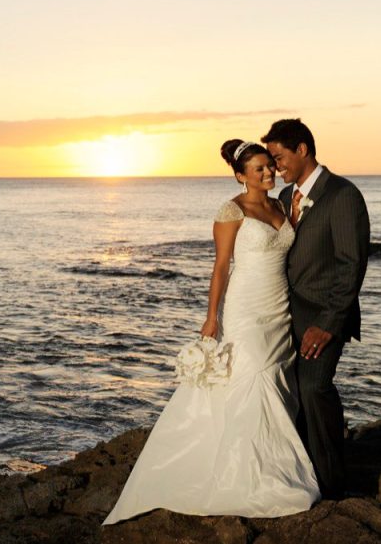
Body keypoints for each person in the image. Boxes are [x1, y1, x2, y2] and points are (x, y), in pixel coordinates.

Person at [104, 139, 319, 525]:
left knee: (276, 379)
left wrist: (298, 221)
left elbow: (286, 249)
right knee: (254, 378)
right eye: (259, 169)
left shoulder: (282, 205)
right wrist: (211, 317)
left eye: (270, 166)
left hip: (279, 307)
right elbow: (220, 268)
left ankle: (273, 466)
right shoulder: (231, 211)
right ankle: (251, 477)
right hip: (246, 307)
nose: (269, 172)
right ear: (241, 176)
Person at [262, 118, 370, 500]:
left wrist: (327, 324)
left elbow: (351, 264)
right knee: (286, 391)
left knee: (313, 387)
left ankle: (332, 483)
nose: (276, 167)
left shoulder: (342, 195)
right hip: (284, 313)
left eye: (279, 157)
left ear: (303, 149)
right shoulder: (285, 196)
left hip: (324, 314)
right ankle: (300, 470)